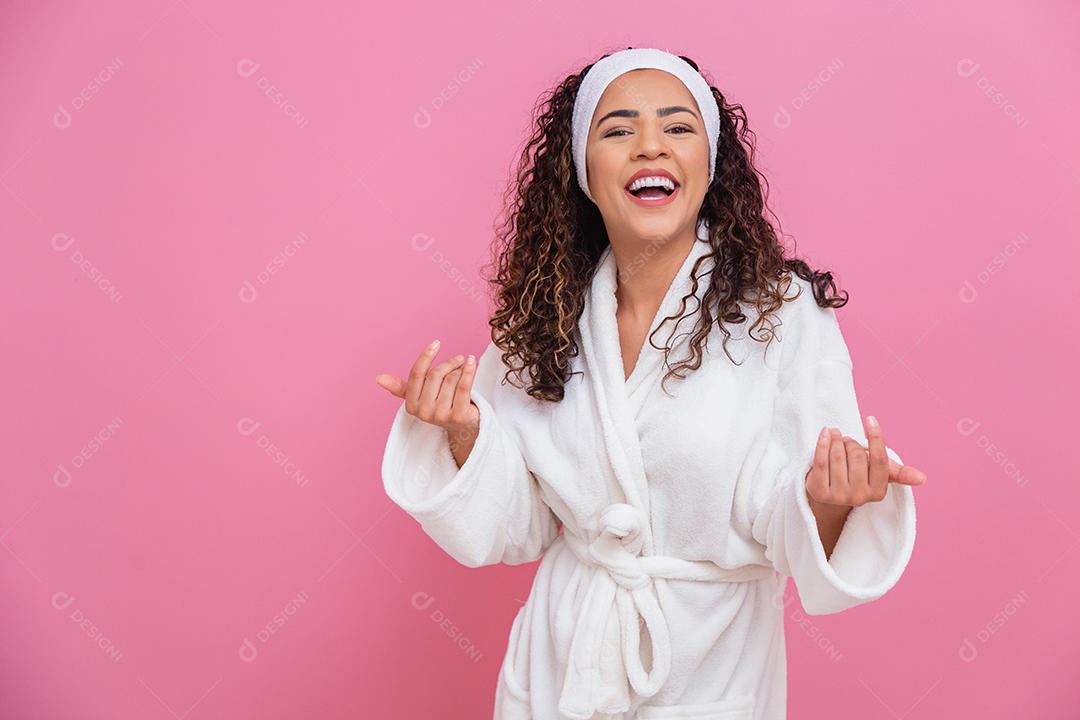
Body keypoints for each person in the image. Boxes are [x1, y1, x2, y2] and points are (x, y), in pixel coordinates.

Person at [375, 46, 926, 720]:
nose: (648, 147)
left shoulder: (779, 314)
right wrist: (463, 436)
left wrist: (832, 500)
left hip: (711, 670)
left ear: (710, 162)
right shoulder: (544, 317)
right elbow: (516, 527)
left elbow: (792, 517)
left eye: (677, 127)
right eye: (617, 130)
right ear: (583, 170)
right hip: (560, 669)